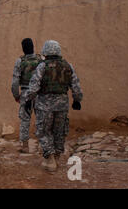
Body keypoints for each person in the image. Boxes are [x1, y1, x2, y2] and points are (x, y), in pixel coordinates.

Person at [24, 40, 83, 172]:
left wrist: (28, 100)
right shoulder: (68, 66)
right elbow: (76, 86)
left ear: (46, 51)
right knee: (59, 132)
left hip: (44, 105)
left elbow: (34, 87)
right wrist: (77, 100)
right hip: (62, 105)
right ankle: (56, 156)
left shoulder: (42, 66)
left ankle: (50, 159)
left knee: (43, 131)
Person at [11, 38, 42, 153]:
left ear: (23, 48)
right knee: (41, 119)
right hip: (39, 93)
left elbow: (15, 81)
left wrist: (16, 95)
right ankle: (41, 146)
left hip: (25, 93)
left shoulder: (20, 61)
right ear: (33, 47)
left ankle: (25, 146)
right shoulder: (40, 60)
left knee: (25, 119)